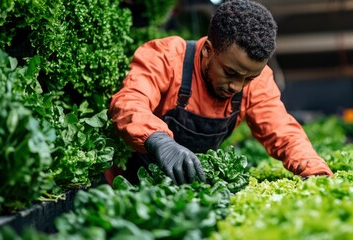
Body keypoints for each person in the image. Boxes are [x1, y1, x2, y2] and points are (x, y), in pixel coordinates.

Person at [105, 0, 333, 185]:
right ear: (207, 50)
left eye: (248, 78)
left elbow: (283, 131)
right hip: (127, 187)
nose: (237, 86)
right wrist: (158, 140)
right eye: (230, 73)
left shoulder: (258, 81)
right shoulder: (166, 57)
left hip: (187, 186)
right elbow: (129, 102)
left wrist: (316, 171)